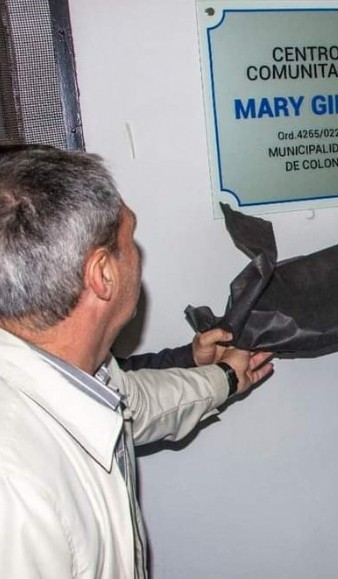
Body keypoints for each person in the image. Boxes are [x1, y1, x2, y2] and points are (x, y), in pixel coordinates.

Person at [0, 147, 274, 578]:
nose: (138, 255)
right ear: (103, 274)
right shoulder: (14, 489)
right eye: (130, 241)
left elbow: (132, 403)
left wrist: (217, 375)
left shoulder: (71, 369)